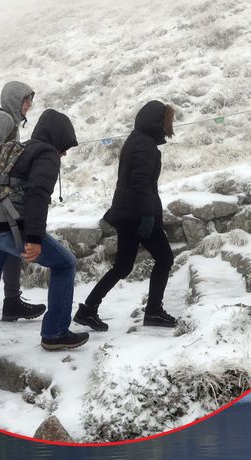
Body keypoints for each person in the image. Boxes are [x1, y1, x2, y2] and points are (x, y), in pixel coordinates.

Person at [0, 92, 88, 397]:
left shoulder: (16, 150)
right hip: (10, 229)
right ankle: (54, 333)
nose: (63, 154)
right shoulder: (46, 154)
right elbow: (38, 193)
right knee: (65, 264)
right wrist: (34, 238)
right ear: (59, 138)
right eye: (65, 147)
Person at [74, 100, 177, 332]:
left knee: (122, 266)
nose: (168, 127)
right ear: (157, 122)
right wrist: (148, 215)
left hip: (128, 213)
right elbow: (140, 182)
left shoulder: (137, 140)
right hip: (137, 214)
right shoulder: (145, 145)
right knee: (165, 258)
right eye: (166, 122)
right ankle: (153, 311)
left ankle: (88, 309)